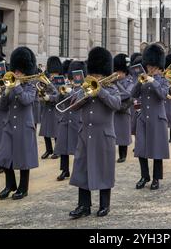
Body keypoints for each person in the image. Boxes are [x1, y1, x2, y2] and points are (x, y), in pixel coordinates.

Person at [69, 48, 121, 219]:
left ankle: (104, 205)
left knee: (104, 169)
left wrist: (100, 91)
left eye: (99, 75)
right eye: (94, 74)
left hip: (103, 135)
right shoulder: (85, 87)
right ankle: (83, 205)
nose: (96, 78)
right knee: (82, 169)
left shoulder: (112, 87)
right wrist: (83, 92)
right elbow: (73, 105)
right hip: (86, 134)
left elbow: (116, 104)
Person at [0, 47, 39, 200]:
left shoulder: (31, 85)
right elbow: (2, 107)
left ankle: (23, 188)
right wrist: (6, 92)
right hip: (10, 125)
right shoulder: (11, 85)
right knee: (4, 156)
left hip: (24, 125)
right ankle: (10, 185)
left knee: (23, 158)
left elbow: (26, 100)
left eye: (20, 72)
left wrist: (17, 87)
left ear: (25, 72)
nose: (17, 73)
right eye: (16, 71)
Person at [132, 43, 170, 191]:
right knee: (140, 149)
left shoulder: (163, 80)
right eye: (149, 66)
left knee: (157, 150)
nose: (150, 69)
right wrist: (138, 81)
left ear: (159, 67)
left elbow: (162, 95)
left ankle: (156, 178)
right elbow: (133, 95)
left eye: (153, 67)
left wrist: (153, 81)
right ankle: (144, 176)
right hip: (143, 118)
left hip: (157, 118)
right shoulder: (143, 78)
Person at [54, 60, 84, 181]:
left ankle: (79, 169)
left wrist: (72, 91)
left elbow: (81, 100)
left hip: (77, 120)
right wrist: (62, 93)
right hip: (65, 120)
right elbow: (57, 100)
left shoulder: (84, 88)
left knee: (78, 148)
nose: (72, 80)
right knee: (63, 147)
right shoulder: (67, 85)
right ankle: (64, 170)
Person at [39, 56, 62, 159]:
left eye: (54, 73)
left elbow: (59, 95)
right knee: (45, 131)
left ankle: (57, 150)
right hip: (46, 108)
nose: (52, 75)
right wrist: (42, 95)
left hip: (55, 109)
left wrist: (50, 97)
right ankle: (49, 149)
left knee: (56, 131)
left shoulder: (61, 81)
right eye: (52, 73)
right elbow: (43, 92)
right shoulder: (47, 80)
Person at [113, 54, 133, 163]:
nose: (117, 74)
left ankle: (123, 155)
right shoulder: (113, 80)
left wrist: (117, 86)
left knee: (122, 135)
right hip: (114, 110)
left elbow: (127, 94)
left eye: (119, 72)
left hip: (124, 111)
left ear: (125, 72)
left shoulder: (129, 82)